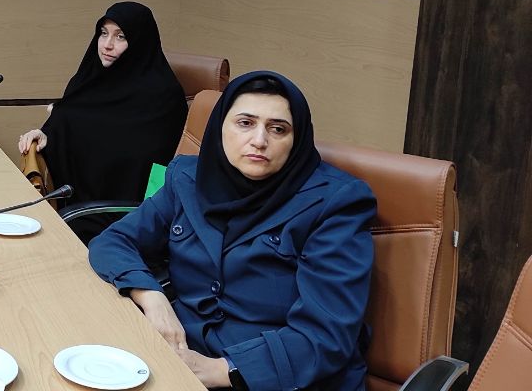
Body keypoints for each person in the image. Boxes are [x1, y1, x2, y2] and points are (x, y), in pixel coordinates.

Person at [89, 71, 376, 391]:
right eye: (245, 123)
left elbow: (326, 334)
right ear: (219, 127)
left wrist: (220, 370)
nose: (259, 140)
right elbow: (114, 241)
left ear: (297, 139)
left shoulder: (337, 202)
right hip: (183, 354)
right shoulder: (186, 178)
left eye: (278, 129)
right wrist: (151, 296)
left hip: (278, 378)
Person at [17, 1, 186, 239]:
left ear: (140, 42)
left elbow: (141, 163)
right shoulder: (90, 79)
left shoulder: (162, 96)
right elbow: (76, 115)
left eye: (120, 36)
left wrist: (69, 126)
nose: (107, 45)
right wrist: (49, 133)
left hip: (125, 216)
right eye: (104, 33)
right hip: (79, 206)